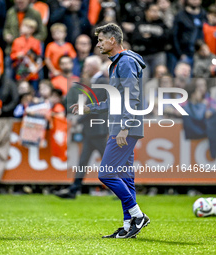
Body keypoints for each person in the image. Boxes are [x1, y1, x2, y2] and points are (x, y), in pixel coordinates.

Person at [70, 23, 149, 238]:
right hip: (123, 126)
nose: (98, 44)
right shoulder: (119, 63)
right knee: (125, 178)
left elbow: (132, 97)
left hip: (125, 127)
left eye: (101, 40)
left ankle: (138, 216)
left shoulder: (125, 63)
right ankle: (127, 226)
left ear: (112, 40)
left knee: (106, 173)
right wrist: (89, 107)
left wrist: (124, 127)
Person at [55, 55, 108, 199]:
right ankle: (74, 189)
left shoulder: (101, 81)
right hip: (93, 129)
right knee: (84, 160)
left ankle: (127, 188)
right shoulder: (97, 81)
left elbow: (93, 107)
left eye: (86, 66)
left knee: (108, 160)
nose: (84, 69)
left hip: (97, 129)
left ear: (92, 67)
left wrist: (78, 119)